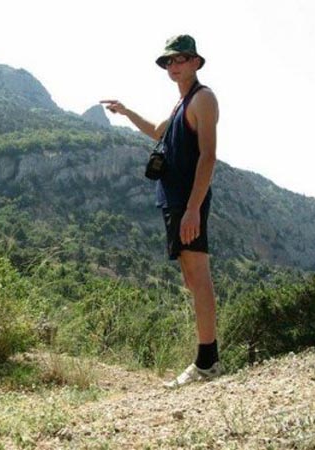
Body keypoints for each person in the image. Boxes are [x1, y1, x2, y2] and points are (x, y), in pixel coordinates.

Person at [101, 34, 221, 388]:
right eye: (169, 61)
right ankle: (207, 358)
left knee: (199, 276)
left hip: (188, 201)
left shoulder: (204, 99)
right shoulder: (181, 104)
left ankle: (207, 362)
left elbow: (208, 156)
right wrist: (126, 112)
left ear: (196, 61)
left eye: (180, 59)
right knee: (190, 278)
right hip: (175, 201)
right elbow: (156, 131)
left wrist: (193, 208)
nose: (173, 66)